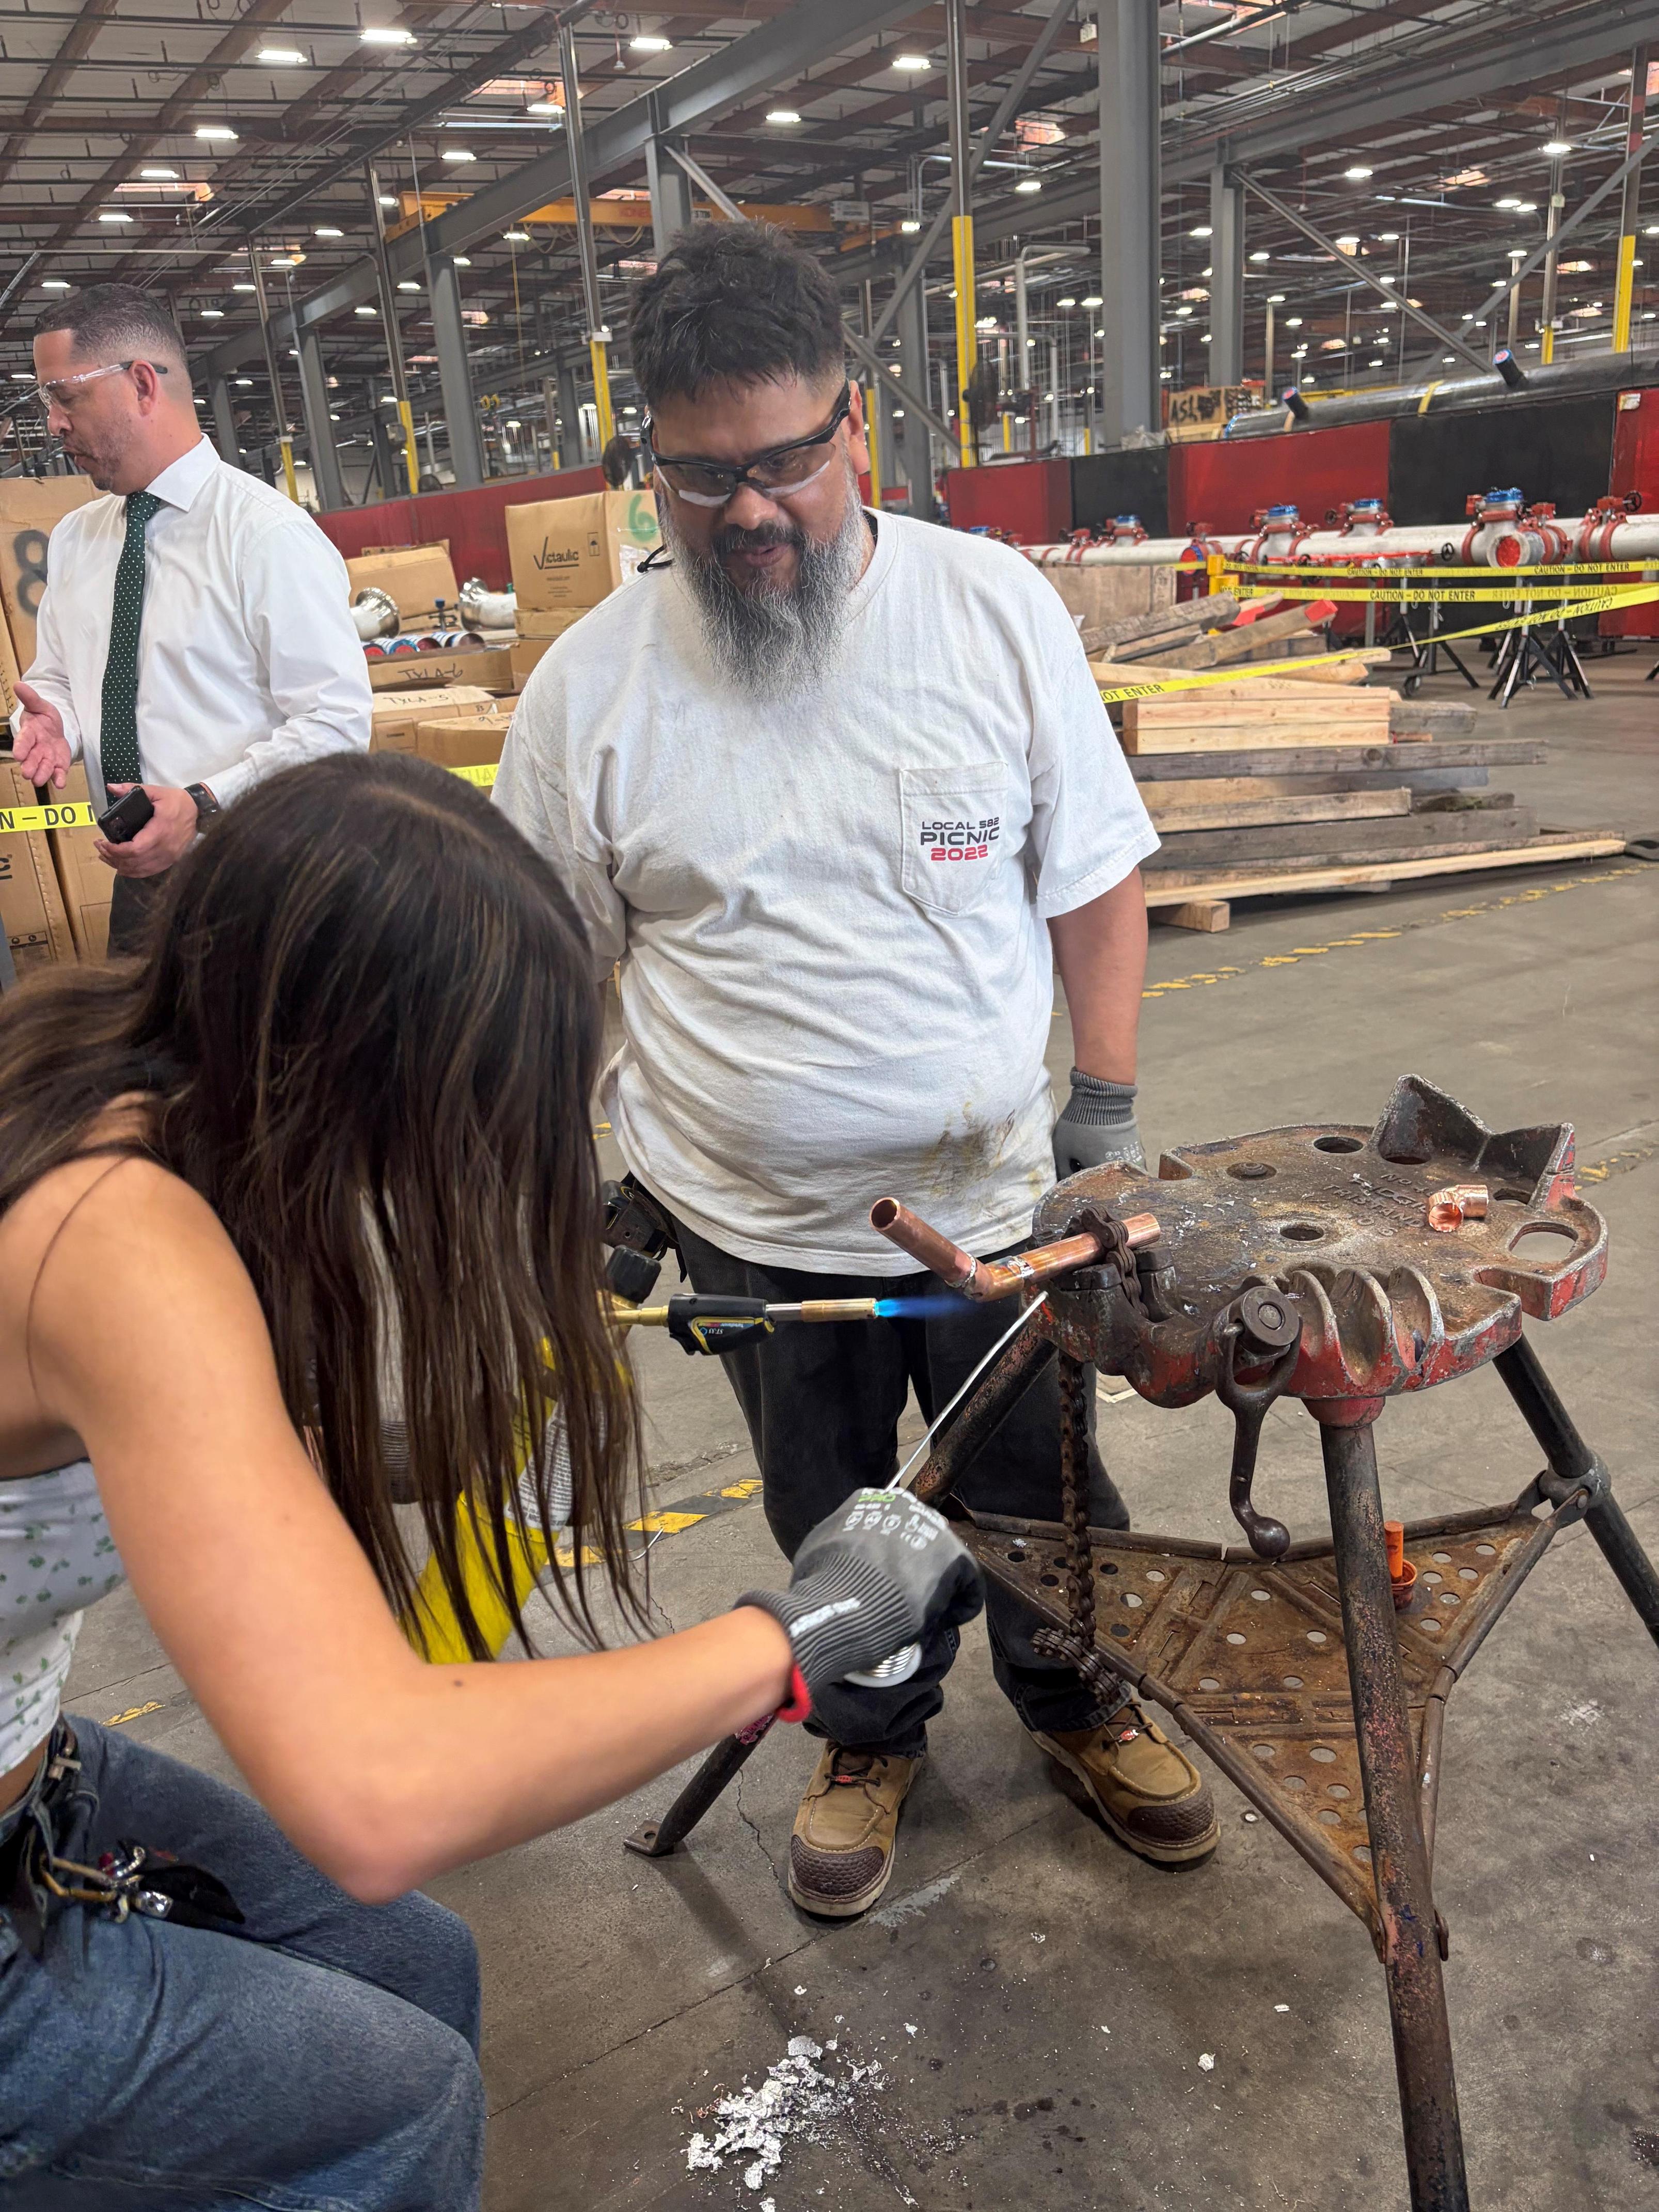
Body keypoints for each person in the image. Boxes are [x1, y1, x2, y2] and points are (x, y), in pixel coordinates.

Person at [0, 751, 981, 2206]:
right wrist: (801, 1632)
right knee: (391, 2104)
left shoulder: (114, 1065)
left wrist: (433, 1450)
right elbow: (378, 1794)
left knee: (413, 1962)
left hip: (34, 1766)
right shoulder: (117, 1240)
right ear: (359, 1076)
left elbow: (160, 1444)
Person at [494, 221, 1217, 1922]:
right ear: (650, 465)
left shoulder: (987, 612)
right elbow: (547, 969)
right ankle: (870, 1729)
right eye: (701, 477)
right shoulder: (588, 694)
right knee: (826, 1503)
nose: (749, 510)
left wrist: (1103, 1117)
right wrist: (572, 1181)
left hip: (995, 1208)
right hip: (745, 1225)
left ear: (855, 429)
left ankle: (1073, 1698)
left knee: (1039, 1487)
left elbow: (1091, 878)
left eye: (784, 463)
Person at [8, 283, 371, 955]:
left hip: (262, 882)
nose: (54, 424)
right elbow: (57, 676)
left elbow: (335, 726)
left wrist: (202, 803)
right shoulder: (78, 539)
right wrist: (54, 721)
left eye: (66, 397)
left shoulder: (265, 534)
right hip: (140, 884)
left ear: (142, 385)